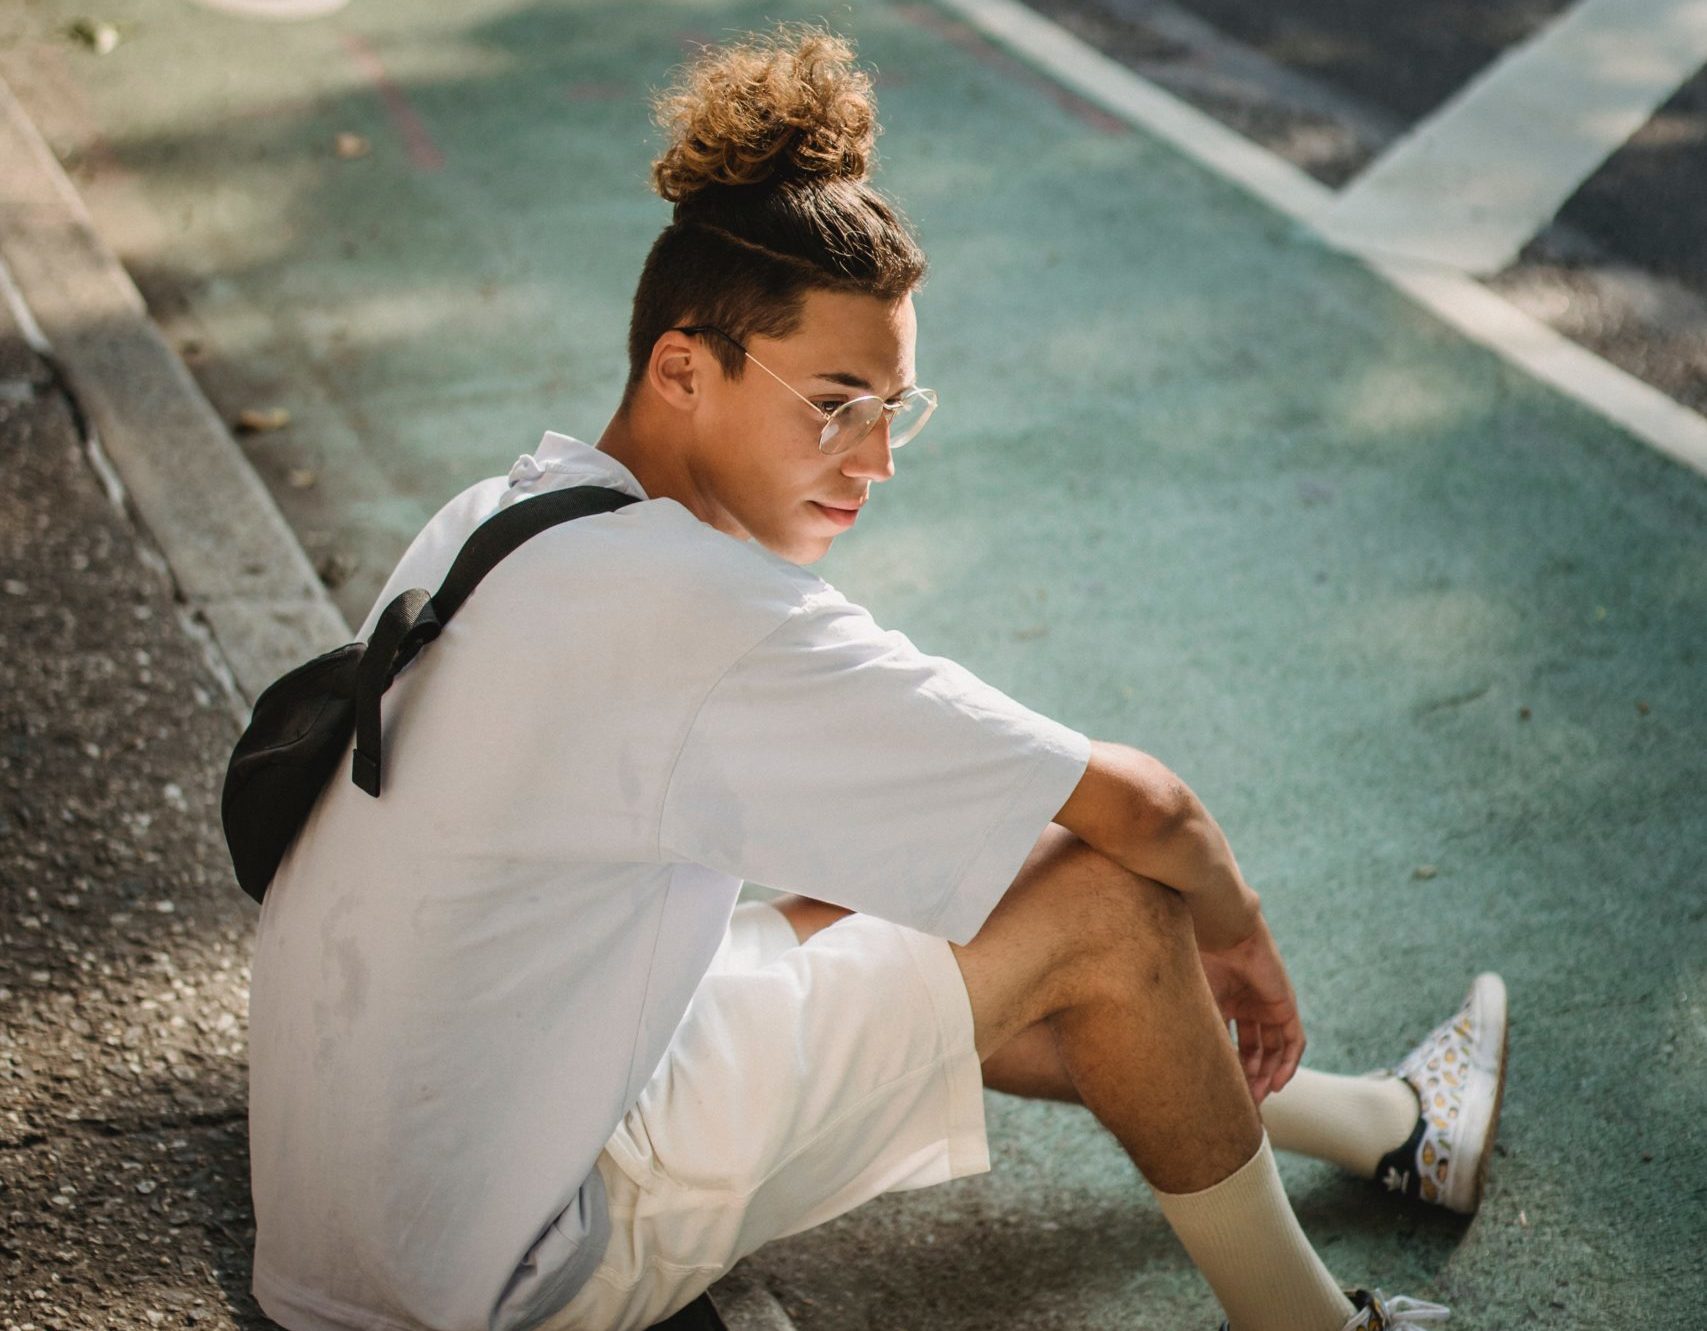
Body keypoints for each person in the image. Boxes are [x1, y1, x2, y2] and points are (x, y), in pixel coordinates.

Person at [244, 25, 1508, 1331]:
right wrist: (1239, 937)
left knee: (921, 877)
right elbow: (1154, 814)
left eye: (894, 410)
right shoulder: (699, 615)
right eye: (835, 402)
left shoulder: (514, 512)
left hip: (364, 1214)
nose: (875, 461)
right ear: (683, 366)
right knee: (1113, 905)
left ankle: (1386, 1126)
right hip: (496, 1268)